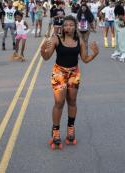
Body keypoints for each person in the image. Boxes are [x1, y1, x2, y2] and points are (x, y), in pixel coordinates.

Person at [40, 16, 99, 149]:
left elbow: (85, 59)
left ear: (75, 26)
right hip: (59, 73)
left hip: (74, 73)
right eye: (66, 25)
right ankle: (56, 132)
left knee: (72, 101)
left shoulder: (80, 41)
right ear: (63, 27)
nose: (68, 27)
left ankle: (70, 129)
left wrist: (95, 54)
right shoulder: (56, 39)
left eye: (71, 25)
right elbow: (46, 57)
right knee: (59, 102)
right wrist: (42, 50)